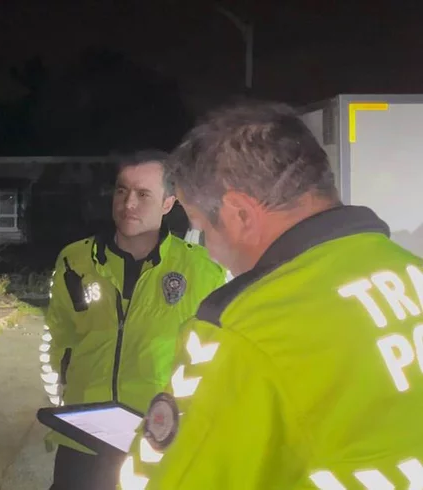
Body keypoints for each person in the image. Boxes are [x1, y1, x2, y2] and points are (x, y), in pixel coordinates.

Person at [120, 102, 423, 489]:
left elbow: (163, 481)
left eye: (203, 229)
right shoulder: (411, 271)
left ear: (240, 214)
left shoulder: (243, 332)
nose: (209, 250)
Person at [43, 150, 226, 490]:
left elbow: (216, 358)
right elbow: (59, 335)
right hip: (84, 437)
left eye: (143, 194)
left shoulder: (201, 270)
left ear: (168, 203)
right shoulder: (75, 260)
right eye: (122, 190)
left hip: (158, 440)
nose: (128, 204)